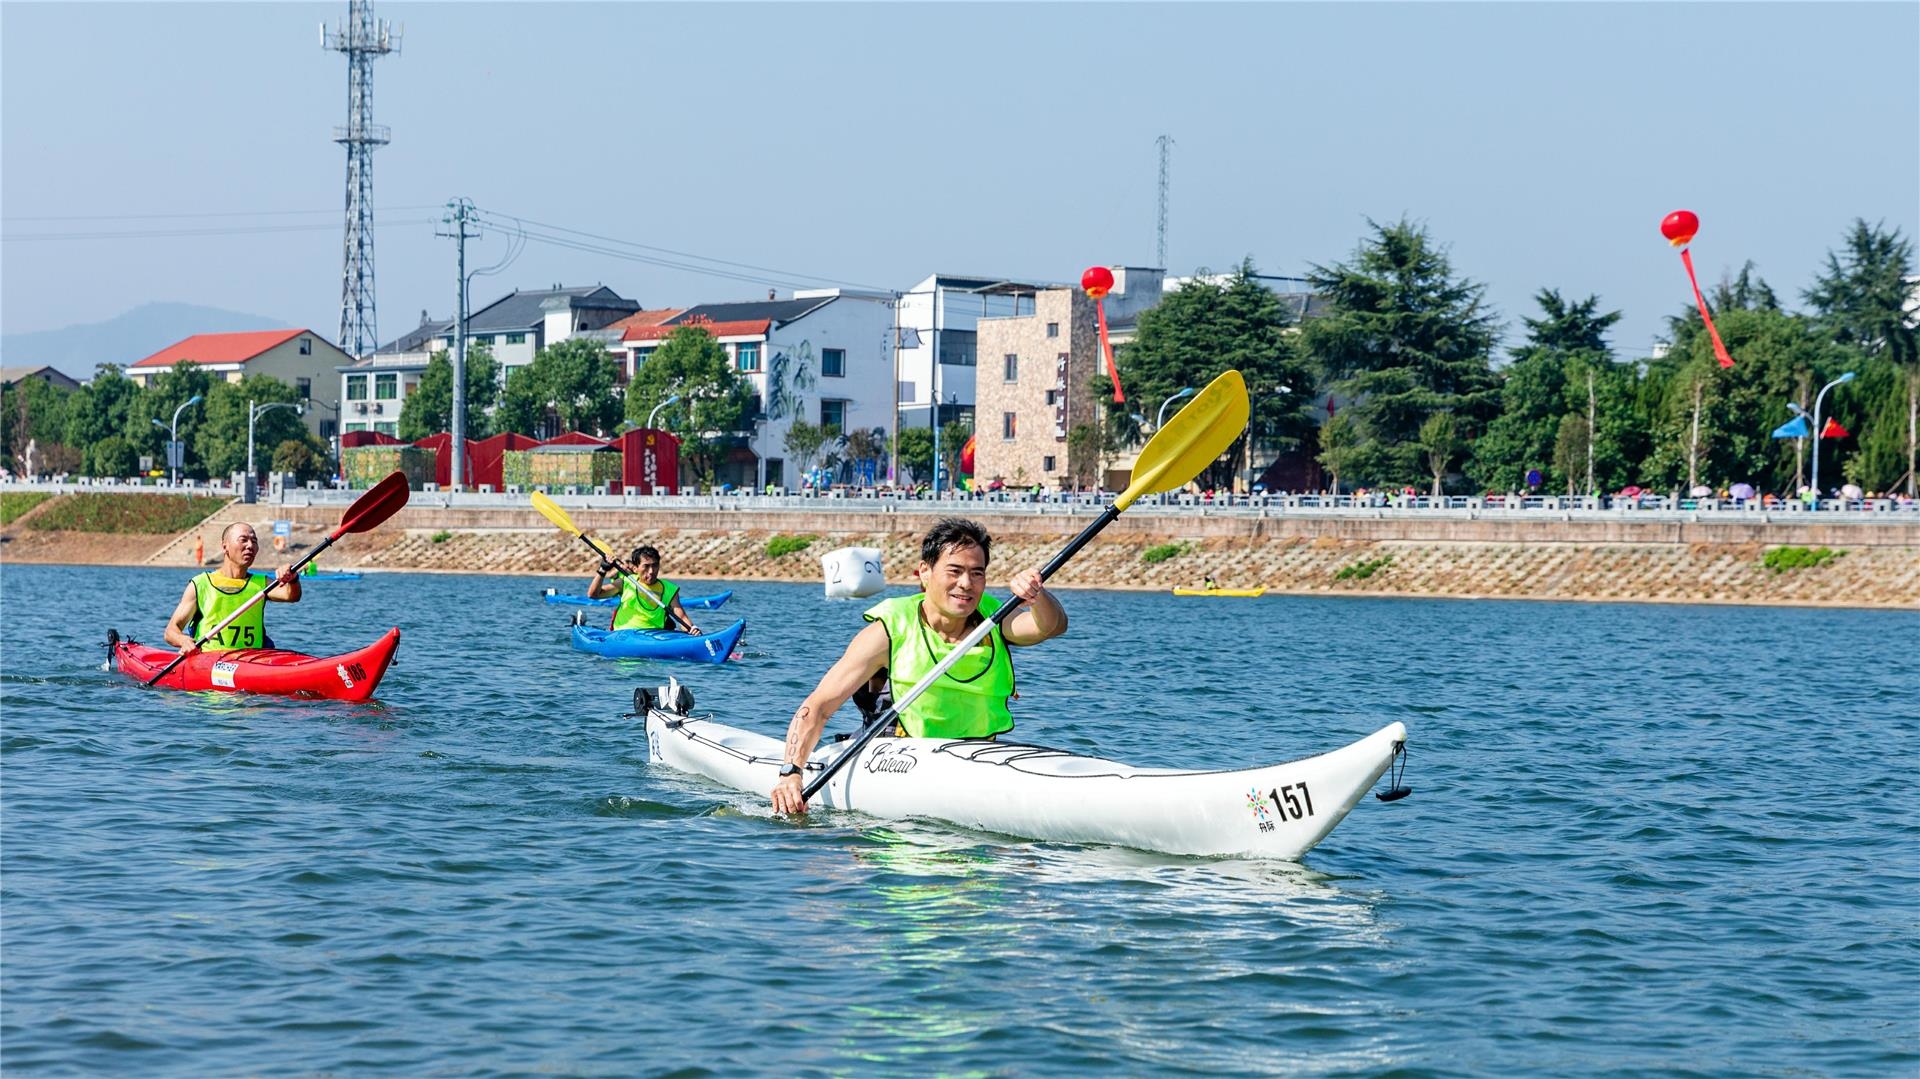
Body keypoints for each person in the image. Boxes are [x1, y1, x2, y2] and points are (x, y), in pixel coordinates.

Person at [770, 517, 1068, 814]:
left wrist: (1036, 596)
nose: (966, 584)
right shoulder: (888, 631)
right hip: (898, 760)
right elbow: (819, 706)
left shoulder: (995, 619)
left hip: (977, 757)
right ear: (925, 572)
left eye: (977, 573)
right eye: (955, 571)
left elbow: (1051, 626)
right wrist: (790, 773)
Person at [164, 522, 300, 652]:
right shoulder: (201, 584)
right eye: (243, 540)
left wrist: (293, 579)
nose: (250, 546)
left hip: (252, 661)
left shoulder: (261, 583)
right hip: (209, 661)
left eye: (254, 541)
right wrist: (183, 641)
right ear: (225, 547)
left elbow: (292, 595)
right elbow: (171, 631)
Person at [587, 544, 699, 634]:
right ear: (635, 569)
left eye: (655, 565)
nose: (651, 571)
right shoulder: (625, 582)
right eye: (646, 566)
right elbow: (594, 594)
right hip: (623, 634)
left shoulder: (669, 589)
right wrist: (602, 570)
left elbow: (682, 617)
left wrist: (692, 630)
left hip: (654, 635)